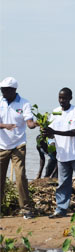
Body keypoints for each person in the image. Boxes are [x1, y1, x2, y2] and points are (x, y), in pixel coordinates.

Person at [45, 88, 75, 218]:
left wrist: (54, 132)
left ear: (70, 98)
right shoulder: (55, 112)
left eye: (64, 98)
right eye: (60, 98)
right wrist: (49, 140)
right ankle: (61, 209)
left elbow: (73, 132)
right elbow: (50, 132)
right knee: (63, 183)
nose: (61, 101)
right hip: (62, 154)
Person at [0, 77, 36, 219]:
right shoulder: (0, 102)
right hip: (2, 146)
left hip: (18, 145)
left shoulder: (24, 103)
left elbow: (29, 121)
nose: (2, 92)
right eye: (1, 89)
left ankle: (26, 209)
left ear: (14, 90)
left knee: (20, 176)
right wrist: (5, 126)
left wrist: (33, 125)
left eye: (5, 90)